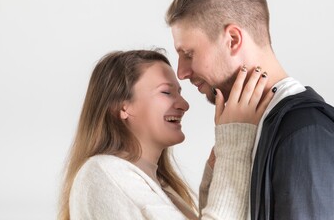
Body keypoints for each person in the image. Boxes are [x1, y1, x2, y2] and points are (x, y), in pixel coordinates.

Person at [166, 0, 334, 219]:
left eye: (188, 54)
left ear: (233, 39)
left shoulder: (305, 131)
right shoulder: (249, 131)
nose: (181, 72)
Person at [57, 49, 273, 220]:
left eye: (179, 93)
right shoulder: (103, 172)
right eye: (166, 92)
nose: (184, 104)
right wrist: (234, 143)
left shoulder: (159, 185)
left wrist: (218, 169)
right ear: (122, 107)